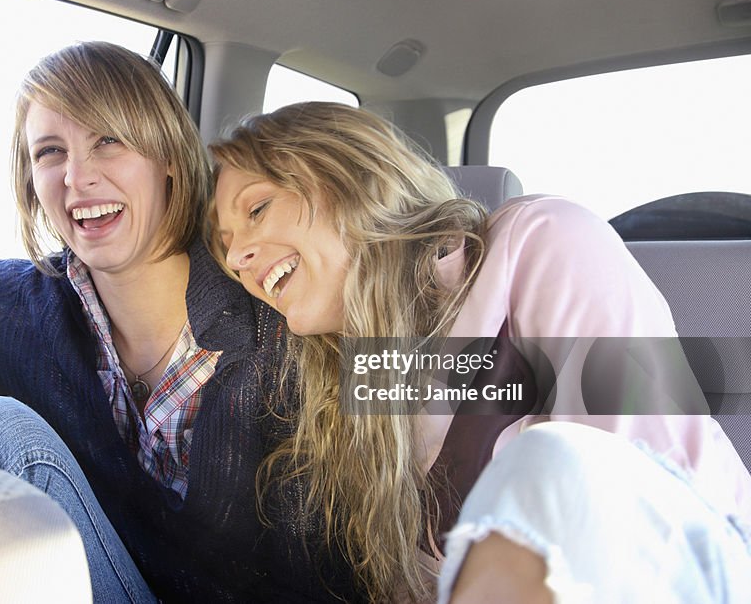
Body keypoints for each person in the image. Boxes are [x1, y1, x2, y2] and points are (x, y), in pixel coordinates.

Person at [210, 101, 751, 603]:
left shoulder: (543, 239)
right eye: (225, 241)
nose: (236, 256)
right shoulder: (361, 377)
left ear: (353, 180)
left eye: (256, 209)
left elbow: (632, 496)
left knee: (555, 461)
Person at [0, 44, 367, 602]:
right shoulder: (23, 304)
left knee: (3, 433)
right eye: (51, 153)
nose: (77, 177)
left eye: (108, 140)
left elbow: (496, 376)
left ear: (168, 155)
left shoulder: (280, 298)